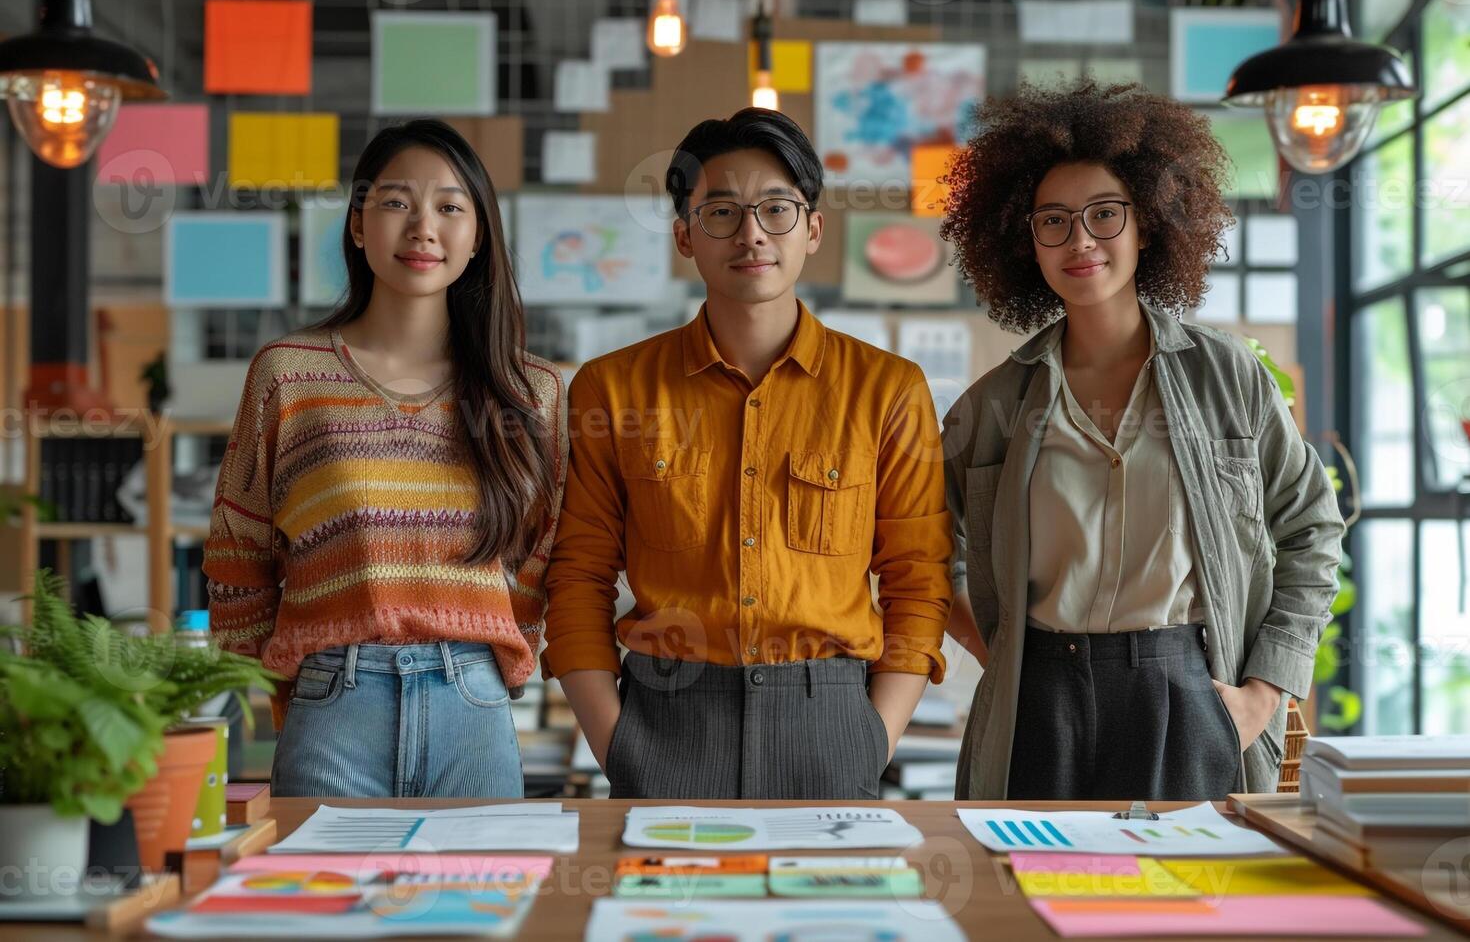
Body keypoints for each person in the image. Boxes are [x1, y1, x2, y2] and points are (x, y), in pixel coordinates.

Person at [938, 82, 1344, 801]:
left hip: (1184, 692)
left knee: (1189, 904)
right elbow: (923, 553)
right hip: (1040, 700)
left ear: (1148, 225)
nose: (1080, 241)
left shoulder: (1226, 377)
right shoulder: (995, 404)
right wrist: (998, 653)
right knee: (1034, 895)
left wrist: (1265, 691)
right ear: (1024, 240)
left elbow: (1312, 526)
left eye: (1105, 215)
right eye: (1053, 222)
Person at [542, 108, 953, 799]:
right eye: (722, 211)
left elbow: (918, 578)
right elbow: (578, 573)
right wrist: (616, 742)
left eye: (776, 209)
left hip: (831, 726)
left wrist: (872, 738)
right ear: (684, 236)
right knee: (665, 910)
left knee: (825, 908)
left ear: (813, 230)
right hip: (665, 721)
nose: (752, 232)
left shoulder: (888, 389)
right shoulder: (613, 389)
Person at [204, 119, 567, 797]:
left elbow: (540, 554)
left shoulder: (530, 392)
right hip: (332, 706)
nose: (423, 227)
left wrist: (494, 657)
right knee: (318, 901)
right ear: (357, 224)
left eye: (450, 207)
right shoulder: (289, 376)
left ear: (478, 234)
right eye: (397, 202)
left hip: (473, 710)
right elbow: (237, 555)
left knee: (480, 904)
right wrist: (284, 696)